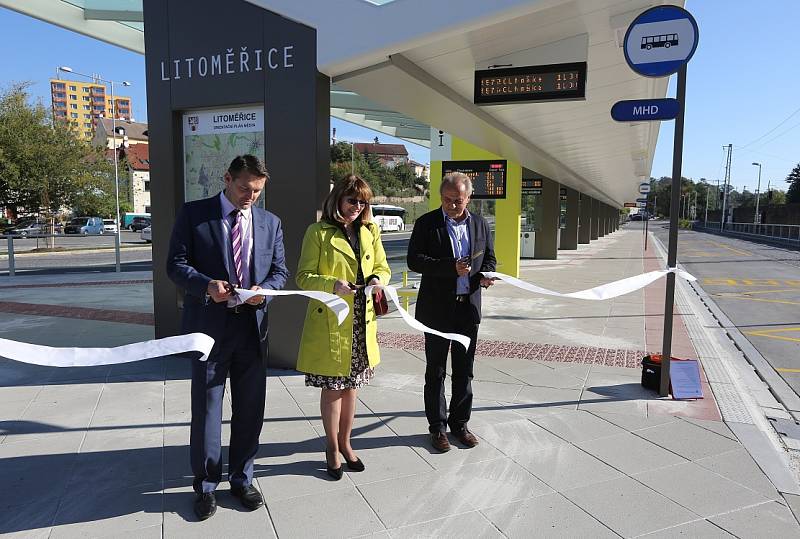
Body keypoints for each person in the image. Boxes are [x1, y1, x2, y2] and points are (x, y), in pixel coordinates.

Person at [167, 155, 289, 520]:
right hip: (208, 329)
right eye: (243, 188)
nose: (249, 196)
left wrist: (263, 290)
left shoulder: (270, 222)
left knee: (251, 409)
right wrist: (206, 285)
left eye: (256, 191)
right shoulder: (194, 214)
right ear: (227, 179)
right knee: (206, 410)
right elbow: (175, 264)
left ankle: (242, 478)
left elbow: (280, 272)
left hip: (252, 329)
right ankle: (206, 486)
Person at [295, 175, 391, 480]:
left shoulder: (370, 230)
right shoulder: (318, 232)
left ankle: (347, 443)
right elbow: (303, 277)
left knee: (352, 388)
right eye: (352, 200)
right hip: (332, 320)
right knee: (333, 389)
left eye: (362, 202)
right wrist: (332, 284)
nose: (357, 207)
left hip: (363, 320)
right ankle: (332, 447)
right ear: (338, 199)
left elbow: (382, 267)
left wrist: (378, 280)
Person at [406, 172, 496, 452]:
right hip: (436, 310)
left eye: (457, 201)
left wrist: (487, 275)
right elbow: (414, 260)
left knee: (464, 371)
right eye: (447, 200)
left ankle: (460, 425)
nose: (452, 205)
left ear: (468, 198)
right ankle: (437, 428)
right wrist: (449, 267)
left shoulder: (480, 224)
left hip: (467, 309)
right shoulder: (426, 223)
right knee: (436, 371)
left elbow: (489, 257)